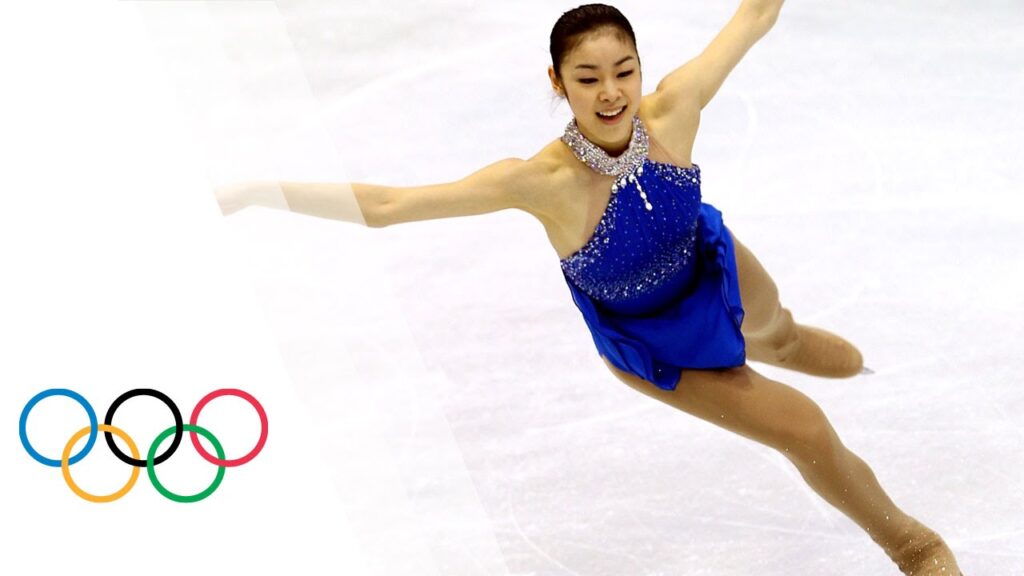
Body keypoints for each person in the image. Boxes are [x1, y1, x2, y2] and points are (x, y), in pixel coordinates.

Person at [215, 2, 963, 574]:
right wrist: (254, 191)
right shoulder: (540, 182)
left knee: (787, 336)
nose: (611, 93)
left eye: (623, 71)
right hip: (653, 340)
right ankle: (915, 548)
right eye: (587, 77)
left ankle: (797, 348)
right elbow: (387, 206)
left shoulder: (674, 108)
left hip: (709, 262)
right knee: (804, 430)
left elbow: (755, 13)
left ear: (640, 67)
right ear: (557, 82)